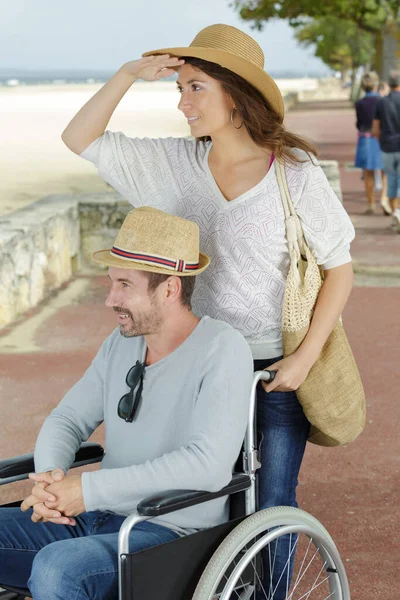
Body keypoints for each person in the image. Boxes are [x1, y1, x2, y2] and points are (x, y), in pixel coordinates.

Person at [61, 24, 356, 599]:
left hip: (271, 372)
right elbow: (80, 137)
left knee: (268, 497)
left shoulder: (294, 176)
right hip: (192, 365)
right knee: (199, 496)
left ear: (235, 95)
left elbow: (339, 269)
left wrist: (303, 358)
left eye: (195, 87)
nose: (182, 101)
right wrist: (126, 75)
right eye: (181, 88)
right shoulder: (176, 165)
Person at [0, 207, 254, 598]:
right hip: (93, 518)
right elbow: (67, 419)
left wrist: (88, 490)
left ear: (169, 288)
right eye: (111, 283)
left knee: (57, 568)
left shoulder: (222, 348)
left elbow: (207, 465)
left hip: (167, 532)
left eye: (124, 286)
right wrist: (50, 482)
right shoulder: (121, 344)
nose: (109, 299)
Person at [354, 71, 390, 215]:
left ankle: (370, 204)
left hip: (364, 138)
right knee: (385, 171)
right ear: (376, 85)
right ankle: (384, 198)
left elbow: (359, 123)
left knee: (368, 173)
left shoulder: (359, 103)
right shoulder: (383, 101)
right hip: (381, 139)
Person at [373, 70, 400, 232]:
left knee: (391, 180)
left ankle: (395, 213)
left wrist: (381, 141)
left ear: (389, 85)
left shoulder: (381, 102)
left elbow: (376, 129)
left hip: (387, 146)